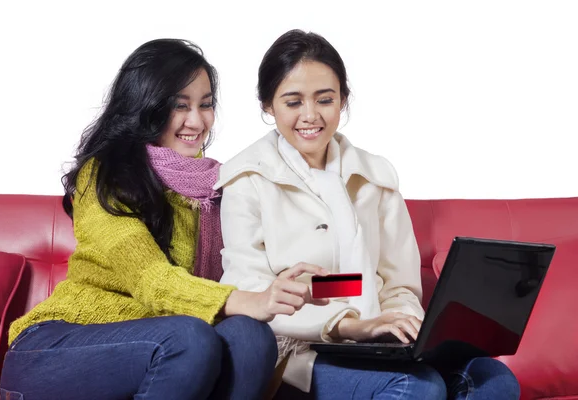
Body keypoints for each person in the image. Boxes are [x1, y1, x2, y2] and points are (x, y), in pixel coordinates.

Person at [0, 38, 327, 400]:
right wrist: (250, 300)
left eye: (206, 105)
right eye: (179, 106)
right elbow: (151, 280)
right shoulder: (105, 175)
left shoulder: (224, 188)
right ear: (147, 106)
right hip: (58, 349)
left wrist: (297, 284)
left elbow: (252, 266)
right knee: (189, 337)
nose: (197, 121)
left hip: (174, 351)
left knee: (251, 336)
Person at [215, 30, 522, 399]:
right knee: (417, 388)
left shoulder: (375, 177)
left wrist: (401, 326)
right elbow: (250, 294)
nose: (310, 116)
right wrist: (346, 324)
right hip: (299, 349)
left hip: (377, 340)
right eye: (292, 102)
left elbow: (399, 285)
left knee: (495, 380)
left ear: (343, 99)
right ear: (268, 105)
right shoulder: (246, 178)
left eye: (325, 99)